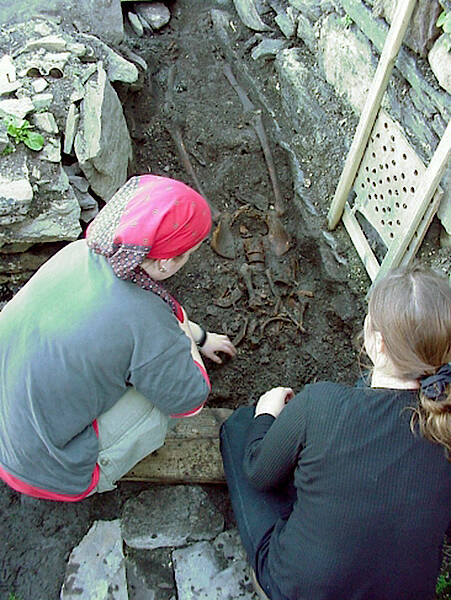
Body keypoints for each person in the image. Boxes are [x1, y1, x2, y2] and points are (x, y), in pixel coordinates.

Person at [220, 264, 451, 600]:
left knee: (240, 428)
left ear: (378, 342)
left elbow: (257, 472)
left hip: (298, 588)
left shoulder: (322, 403)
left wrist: (265, 414)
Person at [0, 174, 236, 501]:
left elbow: (149, 313)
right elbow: (190, 400)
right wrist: (186, 343)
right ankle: (99, 472)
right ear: (166, 265)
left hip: (12, 419)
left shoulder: (79, 251)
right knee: (157, 403)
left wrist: (199, 335)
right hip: (46, 468)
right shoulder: (146, 320)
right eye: (190, 252)